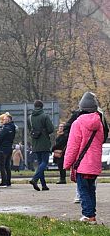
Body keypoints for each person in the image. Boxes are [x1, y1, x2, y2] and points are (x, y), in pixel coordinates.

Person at [63, 92, 105, 224]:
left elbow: (73, 146)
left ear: (81, 108)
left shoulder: (77, 123)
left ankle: (88, 216)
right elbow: (101, 141)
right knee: (91, 189)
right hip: (94, 163)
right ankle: (92, 214)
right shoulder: (99, 122)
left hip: (82, 164)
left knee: (83, 191)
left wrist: (67, 163)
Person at [28, 100, 54, 191]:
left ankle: (43, 185)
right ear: (42, 106)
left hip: (35, 142)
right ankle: (35, 179)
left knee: (40, 164)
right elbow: (51, 129)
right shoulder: (45, 116)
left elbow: (29, 129)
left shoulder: (30, 117)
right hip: (44, 142)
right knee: (44, 162)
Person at [0, 112, 16, 187]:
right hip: (9, 148)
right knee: (7, 165)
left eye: (5, 119)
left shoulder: (5, 128)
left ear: (8, 120)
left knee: (2, 165)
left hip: (3, 148)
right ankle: (8, 181)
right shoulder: (13, 127)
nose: (3, 120)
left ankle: (3, 181)